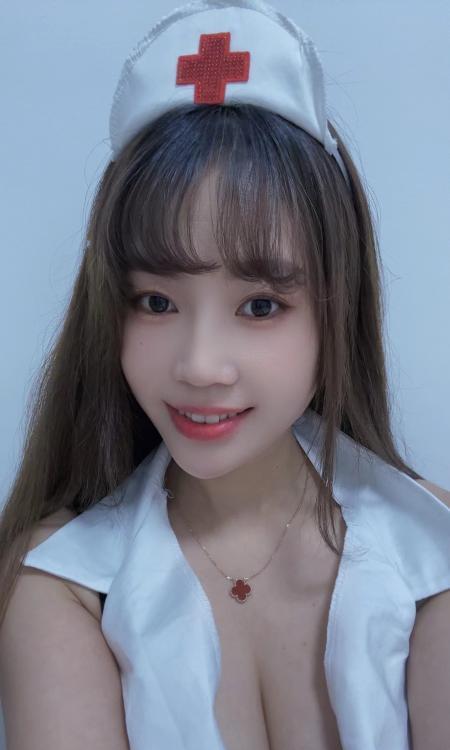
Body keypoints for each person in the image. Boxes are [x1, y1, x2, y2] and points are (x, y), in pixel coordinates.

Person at [0, 1, 449, 749]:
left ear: (336, 310)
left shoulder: (432, 551)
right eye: (156, 302)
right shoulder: (68, 582)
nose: (200, 366)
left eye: (261, 305)